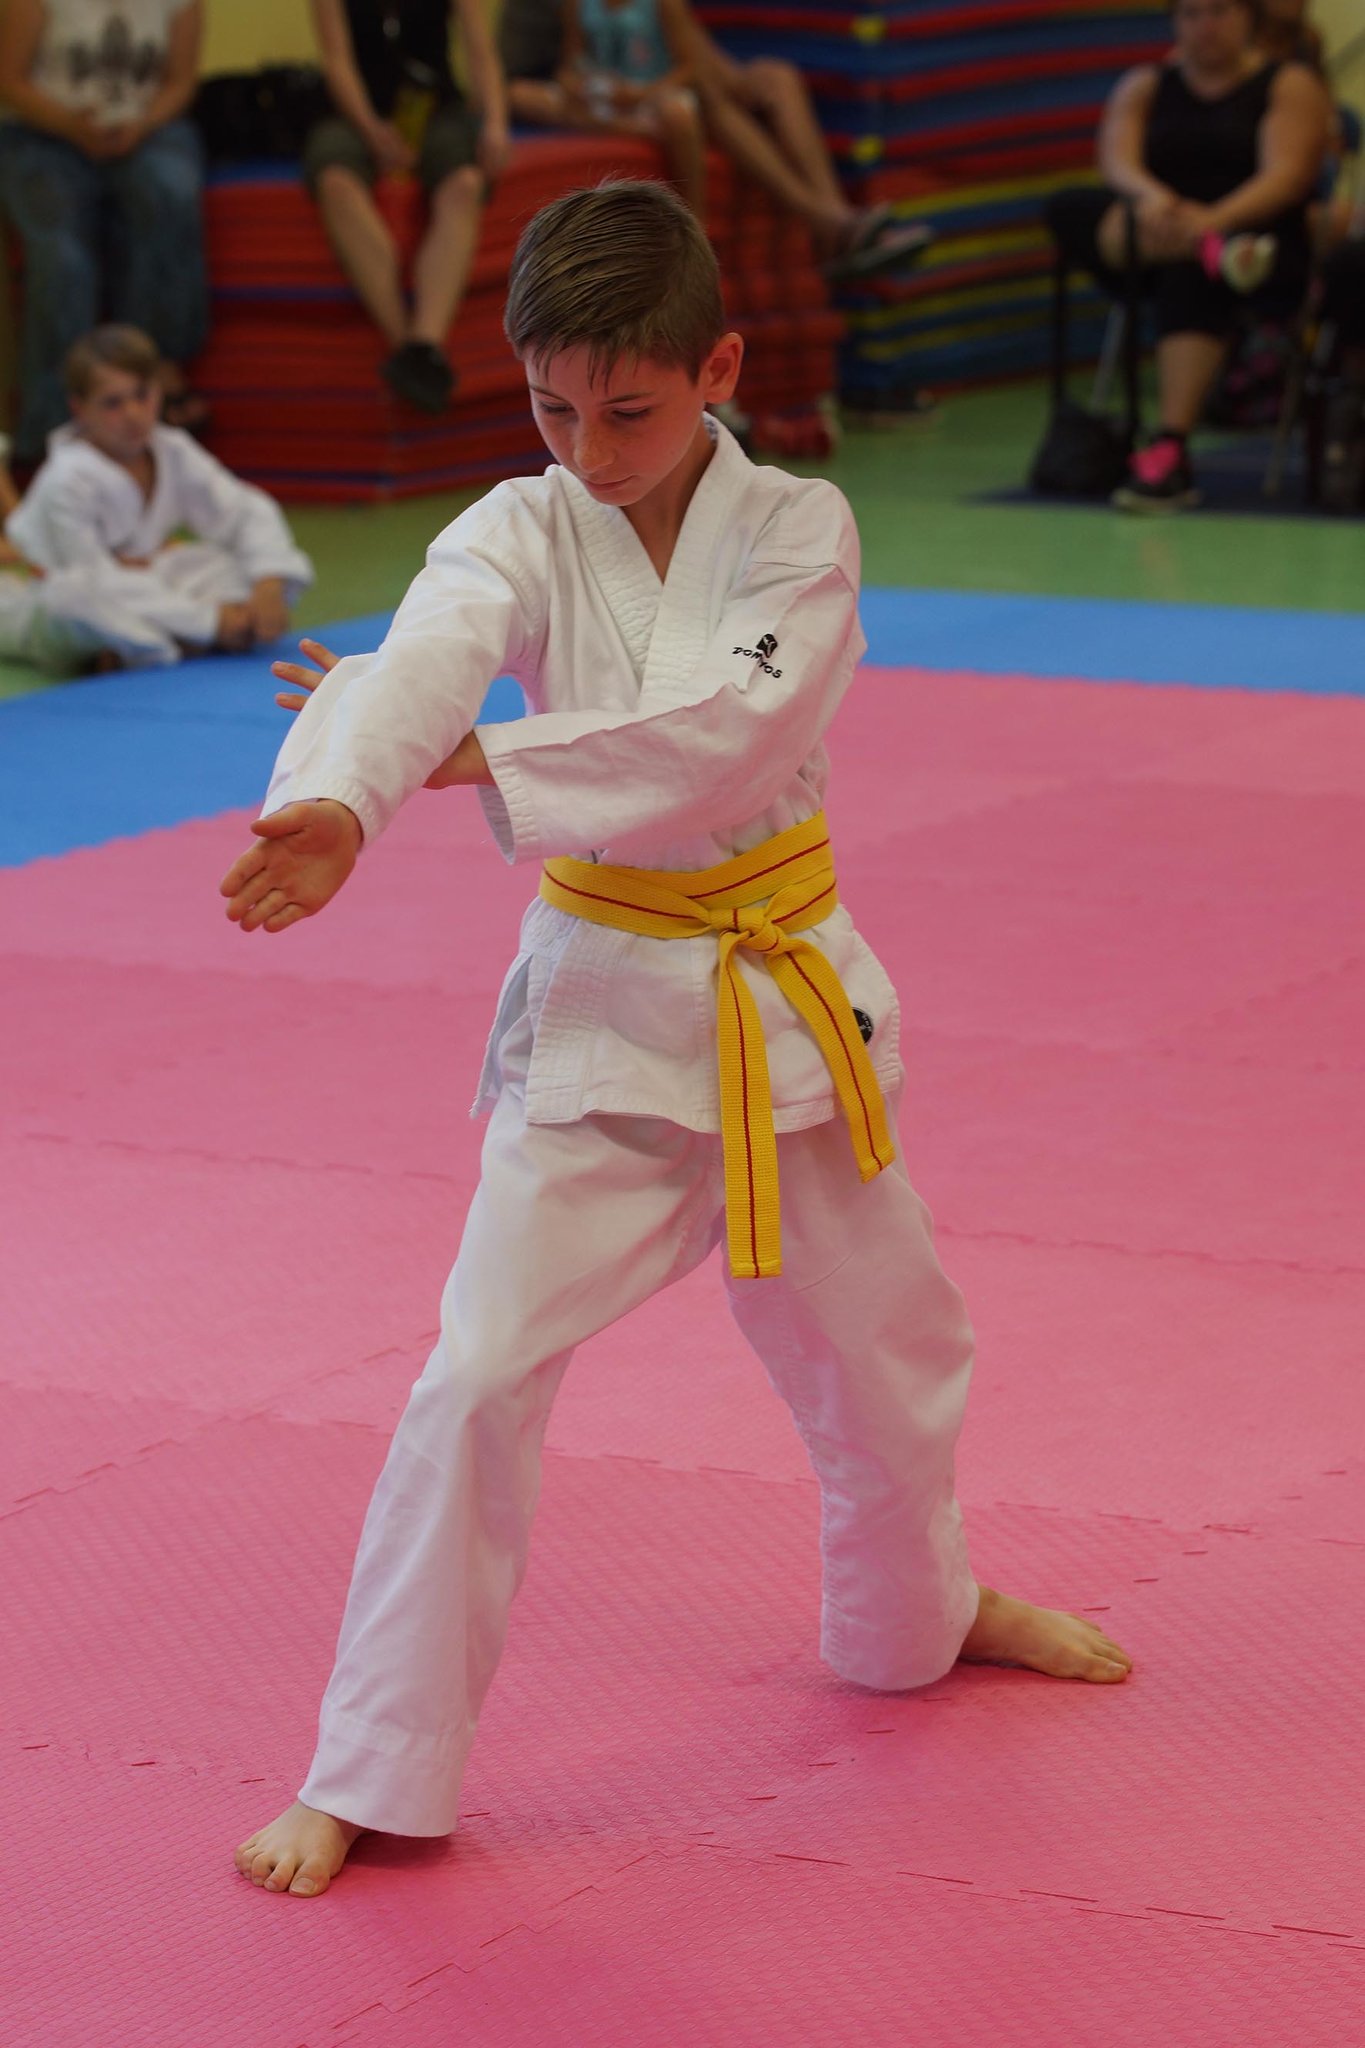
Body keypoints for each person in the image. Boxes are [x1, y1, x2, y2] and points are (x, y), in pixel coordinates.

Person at [223, 179, 1133, 1904]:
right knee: (474, 1375)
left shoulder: (801, 526)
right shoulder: (520, 522)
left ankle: (921, 1614)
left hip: (783, 1009)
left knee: (894, 1356)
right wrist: (341, 793)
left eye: (627, 411)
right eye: (551, 408)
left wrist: (482, 762)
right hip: (604, 1025)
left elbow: (729, 727)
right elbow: (427, 652)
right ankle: (374, 1766)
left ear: (718, 367)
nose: (588, 451)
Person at [1045, 0, 1329, 511]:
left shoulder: (1287, 84)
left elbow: (1285, 178)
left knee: (1191, 273)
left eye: (1219, 12)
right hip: (1163, 232)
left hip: (1259, 241)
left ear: (1247, 18)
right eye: (1192, 15)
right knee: (1069, 206)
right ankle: (1210, 251)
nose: (1205, 27)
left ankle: (1171, 447)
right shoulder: (1145, 84)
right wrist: (1157, 200)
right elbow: (1117, 161)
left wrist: (1214, 220)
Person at [506, 0, 930, 278]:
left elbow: (687, 47)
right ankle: (830, 223)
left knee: (775, 79)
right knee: (707, 101)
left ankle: (832, 217)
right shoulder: (575, 10)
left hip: (661, 80)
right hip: (640, 90)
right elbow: (573, 63)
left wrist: (727, 79)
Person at [6, 324, 314, 664]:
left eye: (142, 395)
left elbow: (242, 510)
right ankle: (181, 640)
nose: (133, 414)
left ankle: (151, 645)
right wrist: (210, 622)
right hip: (57, 602)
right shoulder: (66, 476)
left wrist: (268, 582)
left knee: (237, 568)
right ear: (79, 408)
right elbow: (94, 577)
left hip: (148, 584)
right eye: (112, 403)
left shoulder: (171, 449)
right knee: (73, 597)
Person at [0, 0, 209, 469]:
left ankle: (155, 378)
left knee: (168, 194)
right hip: (44, 133)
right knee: (63, 259)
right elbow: (9, 80)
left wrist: (141, 123)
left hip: (146, 129)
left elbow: (179, 82)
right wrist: (74, 126)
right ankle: (53, 429)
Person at [303, 0, 511, 414]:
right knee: (335, 181)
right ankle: (409, 347)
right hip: (357, 113)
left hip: (439, 109)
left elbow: (480, 51)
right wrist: (372, 131)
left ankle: (424, 342)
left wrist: (496, 123)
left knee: (465, 184)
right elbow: (337, 63)